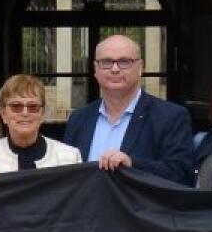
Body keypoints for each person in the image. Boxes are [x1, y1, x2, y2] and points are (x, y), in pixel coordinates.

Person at [62, 34, 192, 185]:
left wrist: (132, 165)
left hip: (141, 208)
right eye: (106, 62)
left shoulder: (170, 117)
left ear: (140, 67)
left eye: (124, 61)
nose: (115, 69)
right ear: (95, 69)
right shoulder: (79, 119)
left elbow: (182, 173)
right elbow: (66, 175)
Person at [0, 75, 81, 178]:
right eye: (16, 106)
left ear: (43, 114)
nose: (25, 113)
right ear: (3, 113)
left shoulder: (69, 158)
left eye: (33, 107)